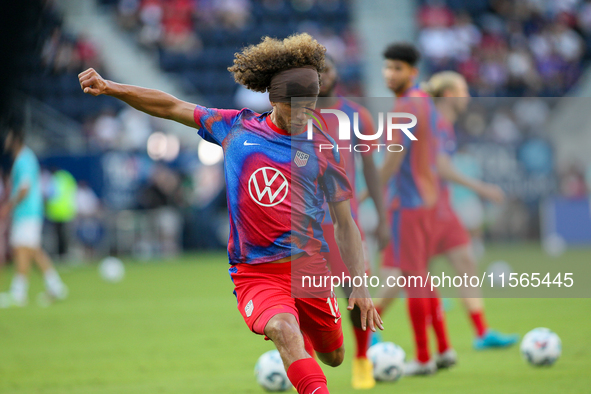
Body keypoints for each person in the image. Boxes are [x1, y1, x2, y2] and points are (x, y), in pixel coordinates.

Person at [78, 33, 382, 394]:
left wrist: (360, 287)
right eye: (293, 106)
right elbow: (170, 106)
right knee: (285, 331)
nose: (303, 114)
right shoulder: (235, 128)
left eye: (309, 105)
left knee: (334, 356)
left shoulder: (324, 149)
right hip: (256, 272)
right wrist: (111, 87)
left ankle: (303, 352)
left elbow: (345, 225)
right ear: (273, 98)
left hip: (309, 268)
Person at [422, 70, 519, 349]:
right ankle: (371, 328)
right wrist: (482, 188)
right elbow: (440, 168)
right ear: (450, 95)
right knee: (407, 275)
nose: (468, 96)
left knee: (466, 262)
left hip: (442, 208)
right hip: (424, 210)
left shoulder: (445, 125)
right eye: (464, 90)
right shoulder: (438, 123)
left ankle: (482, 332)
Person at [376, 42, 455, 376]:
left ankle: (423, 359)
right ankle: (444, 349)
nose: (389, 73)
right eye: (387, 67)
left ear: (413, 72)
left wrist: (368, 191)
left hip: (408, 204)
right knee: (422, 276)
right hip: (427, 201)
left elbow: (393, 158)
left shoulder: (405, 106)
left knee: (414, 280)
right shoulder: (423, 101)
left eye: (397, 68)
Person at [316, 55, 390, 389]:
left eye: (327, 69)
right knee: (305, 297)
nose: (323, 76)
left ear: (336, 74)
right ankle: (303, 361)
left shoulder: (356, 115)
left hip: (345, 222)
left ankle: (362, 359)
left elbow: (371, 169)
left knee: (355, 294)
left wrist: (382, 216)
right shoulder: (295, 115)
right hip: (304, 222)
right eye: (317, 71)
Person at [0, 113, 68, 308]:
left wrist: (8, 206)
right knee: (32, 249)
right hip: (29, 211)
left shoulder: (24, 159)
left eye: (8, 137)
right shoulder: (24, 158)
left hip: (27, 211)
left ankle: (19, 292)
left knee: (23, 248)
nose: (5, 140)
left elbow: (24, 188)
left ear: (15, 138)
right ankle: (55, 286)